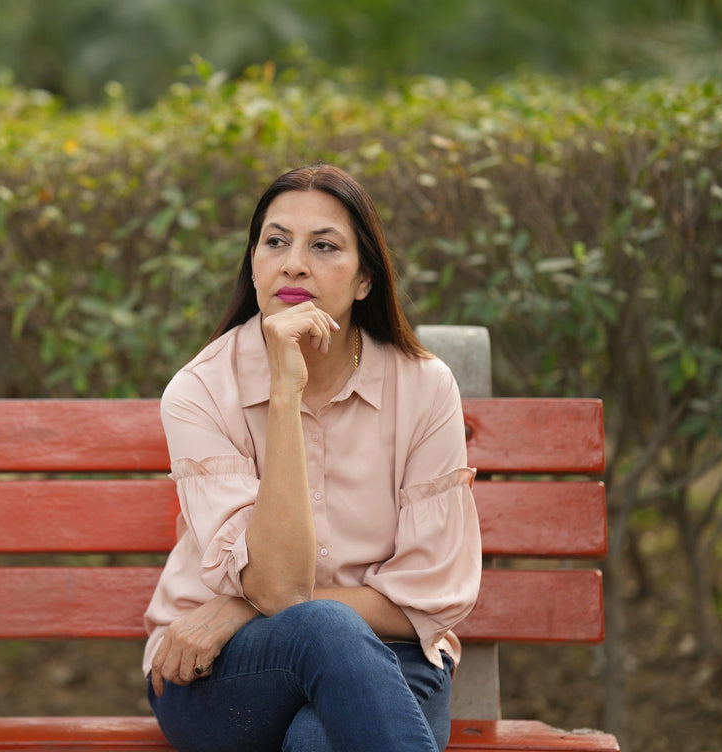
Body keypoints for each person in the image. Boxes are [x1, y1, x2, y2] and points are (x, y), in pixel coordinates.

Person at [143, 163, 482, 752]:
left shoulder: (424, 388)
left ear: (364, 281)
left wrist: (239, 607)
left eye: (323, 246)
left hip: (393, 662)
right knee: (323, 626)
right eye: (275, 242)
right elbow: (275, 587)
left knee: (321, 739)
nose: (294, 263)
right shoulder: (200, 391)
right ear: (253, 265)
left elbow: (431, 598)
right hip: (221, 673)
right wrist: (284, 393)